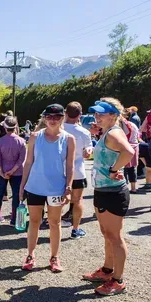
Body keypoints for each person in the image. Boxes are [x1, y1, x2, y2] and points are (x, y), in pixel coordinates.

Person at [83, 98, 135, 295]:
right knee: (107, 233)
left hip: (114, 191)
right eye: (95, 114)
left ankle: (118, 280)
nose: (97, 117)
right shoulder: (108, 132)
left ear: (113, 115)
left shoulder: (114, 133)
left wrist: (115, 169)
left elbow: (128, 152)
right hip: (103, 190)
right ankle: (107, 270)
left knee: (115, 236)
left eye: (101, 114)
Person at [19, 104, 75, 272]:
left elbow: (70, 166)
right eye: (49, 117)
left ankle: (54, 257)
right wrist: (22, 186)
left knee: (55, 222)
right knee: (34, 221)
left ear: (62, 118)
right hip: (35, 186)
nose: (52, 120)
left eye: (57, 117)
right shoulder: (35, 136)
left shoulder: (69, 139)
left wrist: (69, 187)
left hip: (57, 188)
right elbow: (28, 162)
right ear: (44, 118)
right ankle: (30, 255)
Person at [61, 102, 94, 239]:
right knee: (78, 199)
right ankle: (75, 229)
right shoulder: (84, 132)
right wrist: (88, 152)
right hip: (77, 171)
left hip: (58, 169)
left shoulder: (58, 129)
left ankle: (54, 225)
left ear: (65, 113)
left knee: (56, 199)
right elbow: (88, 151)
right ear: (80, 115)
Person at [0, 116, 26, 225]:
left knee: (0, 193)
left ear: (5, 128)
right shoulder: (21, 141)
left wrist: (2, 172)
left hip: (3, 170)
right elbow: (21, 160)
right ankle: (14, 219)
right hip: (17, 172)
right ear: (15, 126)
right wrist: (12, 171)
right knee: (16, 194)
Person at [120, 110, 140, 193]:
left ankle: (122, 186)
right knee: (132, 168)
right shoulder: (133, 125)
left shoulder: (121, 125)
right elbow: (137, 136)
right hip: (134, 147)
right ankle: (133, 187)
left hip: (125, 147)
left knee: (122, 167)